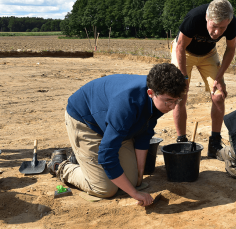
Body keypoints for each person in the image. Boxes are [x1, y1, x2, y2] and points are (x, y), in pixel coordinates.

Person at [47, 63, 186, 207]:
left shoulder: (159, 96)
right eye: (169, 101)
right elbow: (106, 156)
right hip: (86, 121)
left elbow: (144, 133)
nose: (173, 106)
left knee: (131, 181)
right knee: (105, 189)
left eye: (177, 100)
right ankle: (60, 165)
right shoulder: (127, 105)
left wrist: (139, 174)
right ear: (151, 93)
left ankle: (84, 159)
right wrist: (135, 194)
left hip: (114, 126)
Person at [171, 0, 236, 159]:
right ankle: (182, 141)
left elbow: (231, 49)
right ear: (207, 18)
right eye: (214, 27)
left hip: (208, 54)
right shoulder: (194, 18)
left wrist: (219, 77)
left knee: (219, 95)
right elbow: (180, 47)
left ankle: (214, 143)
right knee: (180, 95)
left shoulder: (231, 22)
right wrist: (184, 77)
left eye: (223, 28)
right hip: (184, 53)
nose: (217, 33)